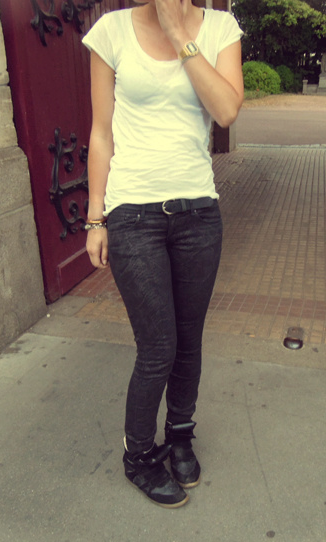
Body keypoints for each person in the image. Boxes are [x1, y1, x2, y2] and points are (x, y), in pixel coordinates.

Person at [81, 0, 243, 508]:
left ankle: (180, 437)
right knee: (158, 347)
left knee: (189, 341)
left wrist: (178, 33)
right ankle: (137, 456)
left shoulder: (220, 28)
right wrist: (95, 218)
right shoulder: (110, 31)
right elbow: (101, 133)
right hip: (133, 215)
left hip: (198, 214)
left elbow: (226, 111)